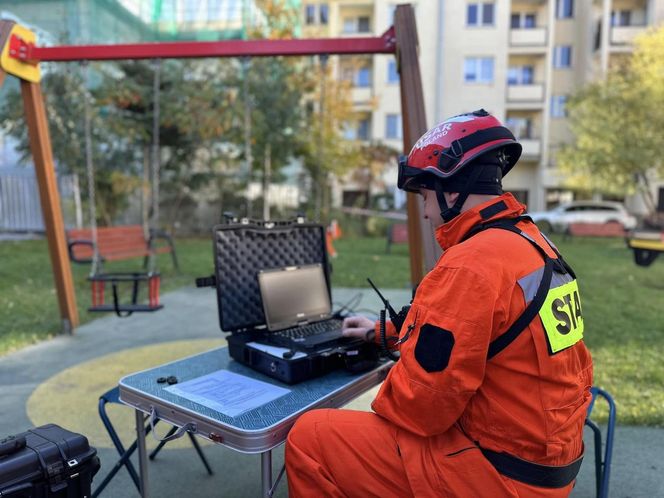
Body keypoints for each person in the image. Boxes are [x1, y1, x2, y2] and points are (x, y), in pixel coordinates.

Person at [285, 109, 593, 497]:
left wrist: (396, 367)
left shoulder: (472, 263)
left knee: (311, 436)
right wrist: (385, 332)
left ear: (451, 191)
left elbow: (421, 408)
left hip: (494, 475)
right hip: (546, 466)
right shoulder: (531, 242)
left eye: (426, 197)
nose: (427, 211)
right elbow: (480, 331)